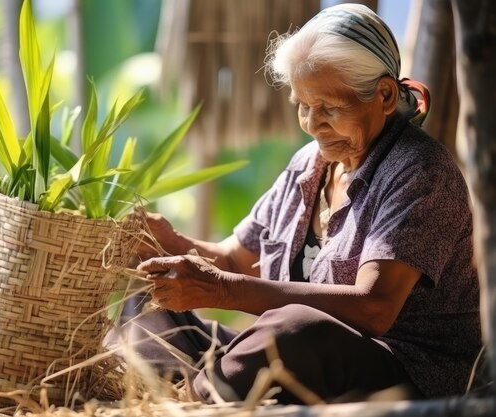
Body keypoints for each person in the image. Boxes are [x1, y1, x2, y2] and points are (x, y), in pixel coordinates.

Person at [108, 3, 481, 404]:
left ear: (385, 95)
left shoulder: (420, 171)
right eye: (303, 105)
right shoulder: (310, 163)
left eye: (329, 108)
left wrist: (224, 292)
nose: (311, 123)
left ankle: (191, 402)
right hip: (294, 356)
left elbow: (375, 308)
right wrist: (173, 245)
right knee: (148, 299)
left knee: (294, 328)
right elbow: (234, 262)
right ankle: (164, 394)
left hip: (401, 370)